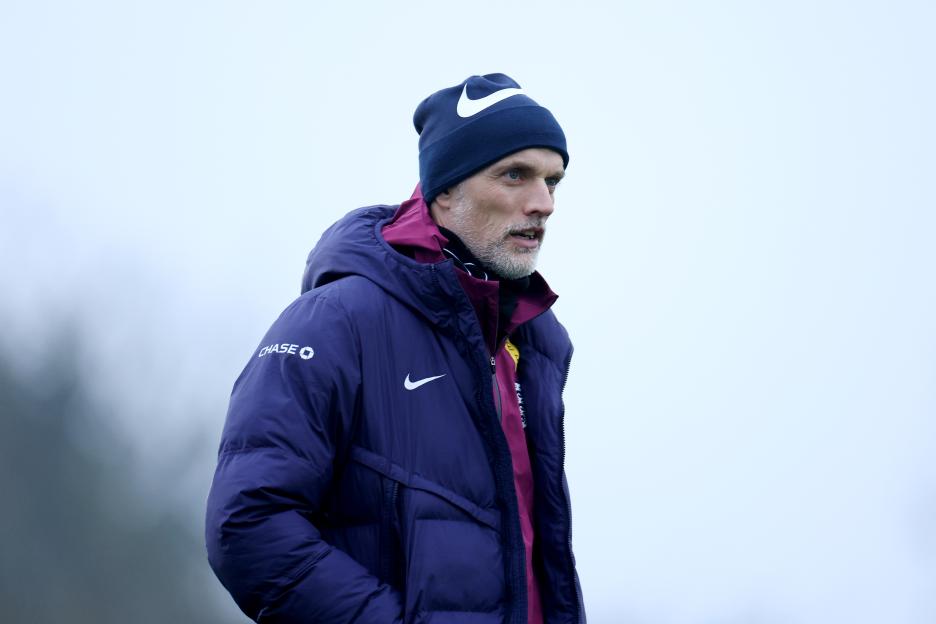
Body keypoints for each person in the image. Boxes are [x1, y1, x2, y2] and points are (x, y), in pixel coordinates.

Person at [206, 73, 585, 624]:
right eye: (515, 175)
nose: (543, 202)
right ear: (445, 190)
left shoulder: (533, 346)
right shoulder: (337, 321)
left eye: (554, 180)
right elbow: (247, 524)